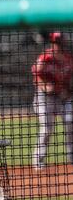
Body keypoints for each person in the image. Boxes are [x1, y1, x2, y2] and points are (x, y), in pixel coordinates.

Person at [31, 32, 73, 169]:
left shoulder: (68, 59)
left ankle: (71, 156)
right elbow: (37, 77)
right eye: (57, 43)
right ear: (52, 43)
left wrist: (68, 91)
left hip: (62, 97)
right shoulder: (44, 58)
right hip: (45, 97)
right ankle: (38, 160)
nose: (59, 46)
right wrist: (45, 87)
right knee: (47, 129)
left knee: (70, 122)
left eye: (61, 43)